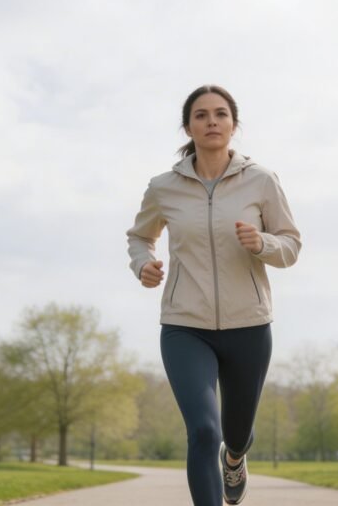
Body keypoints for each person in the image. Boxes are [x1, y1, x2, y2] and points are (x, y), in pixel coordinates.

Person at [126, 84, 301, 505]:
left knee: (235, 433)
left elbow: (291, 245)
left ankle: (236, 457)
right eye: (201, 115)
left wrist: (262, 244)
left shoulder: (261, 180)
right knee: (204, 430)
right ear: (188, 126)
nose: (211, 122)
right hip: (185, 325)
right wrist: (142, 265)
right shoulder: (164, 187)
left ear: (233, 125)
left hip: (249, 325)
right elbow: (139, 237)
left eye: (220, 114)